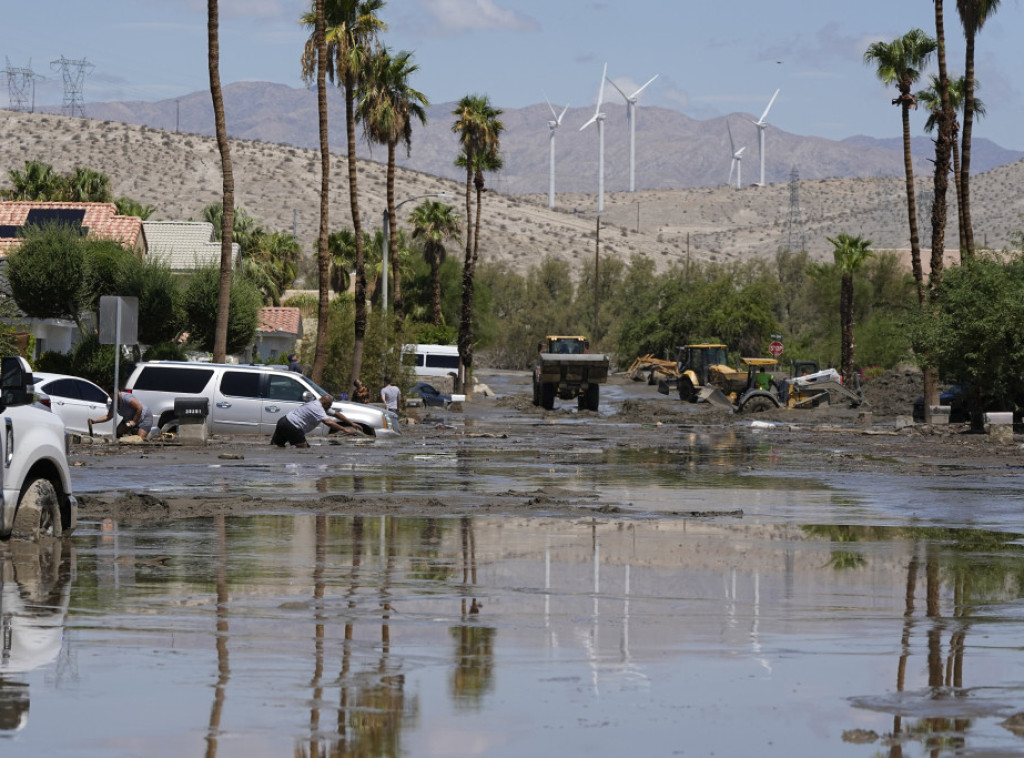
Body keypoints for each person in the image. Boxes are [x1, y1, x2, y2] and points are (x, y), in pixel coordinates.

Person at [270, 394, 360, 448]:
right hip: (293, 426)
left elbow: (336, 414)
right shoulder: (317, 408)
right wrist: (345, 429)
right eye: (329, 405)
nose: (330, 408)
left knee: (276, 447)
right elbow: (328, 422)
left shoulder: (319, 404)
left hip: (283, 421)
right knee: (304, 449)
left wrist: (351, 423)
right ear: (325, 404)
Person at [89, 390, 154, 440]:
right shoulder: (114, 403)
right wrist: (94, 421)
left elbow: (139, 408)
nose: (114, 399)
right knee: (118, 431)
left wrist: (134, 421)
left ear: (118, 392)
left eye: (115, 396)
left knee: (139, 439)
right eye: (112, 397)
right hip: (129, 419)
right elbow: (108, 416)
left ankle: (147, 433)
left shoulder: (126, 398)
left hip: (144, 417)